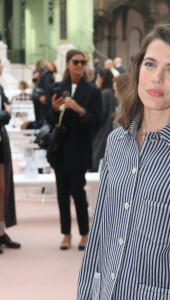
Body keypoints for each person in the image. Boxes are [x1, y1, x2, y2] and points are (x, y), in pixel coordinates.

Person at [78, 24, 170, 299]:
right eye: (150, 64)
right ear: (137, 71)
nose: (156, 78)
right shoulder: (117, 143)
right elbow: (99, 236)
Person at [46, 49, 103, 251]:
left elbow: (96, 121)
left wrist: (80, 110)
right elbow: (49, 121)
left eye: (82, 62)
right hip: (59, 149)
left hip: (79, 149)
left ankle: (84, 234)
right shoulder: (57, 88)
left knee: (78, 191)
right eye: (75, 61)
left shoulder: (92, 91)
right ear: (68, 64)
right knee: (62, 193)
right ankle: (66, 234)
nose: (79, 65)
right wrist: (53, 109)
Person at [0, 58, 21, 254]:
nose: (1, 67)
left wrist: (5, 112)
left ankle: (1, 232)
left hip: (1, 143)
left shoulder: (0, 88)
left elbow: (7, 111)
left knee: (3, 189)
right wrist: (5, 113)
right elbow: (5, 114)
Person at [91, 68, 118, 171]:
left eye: (97, 78)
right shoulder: (112, 93)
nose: (96, 81)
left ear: (102, 78)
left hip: (102, 134)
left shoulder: (104, 94)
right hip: (109, 132)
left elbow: (100, 115)